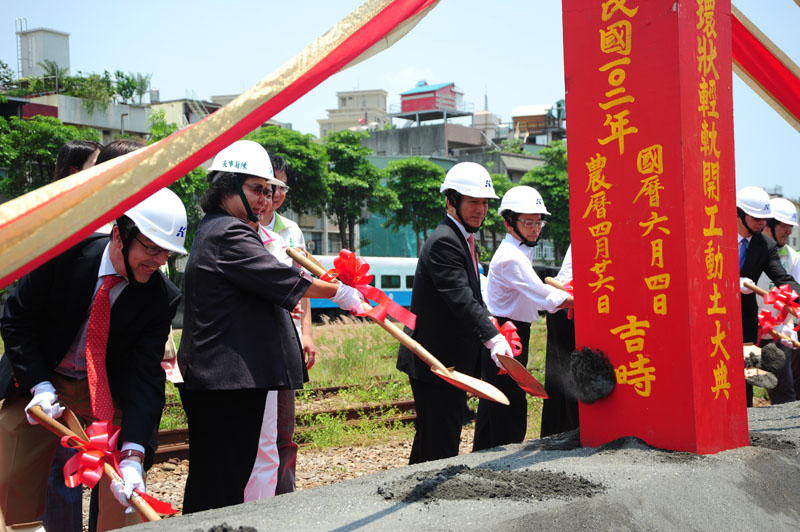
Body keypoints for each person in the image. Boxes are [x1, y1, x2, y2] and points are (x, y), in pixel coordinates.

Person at [177, 140, 363, 513]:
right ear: (226, 186)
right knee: (221, 483)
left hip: (228, 380)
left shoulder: (224, 228)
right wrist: (339, 291)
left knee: (225, 477)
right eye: (256, 189)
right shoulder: (229, 232)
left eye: (269, 191)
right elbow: (280, 281)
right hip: (224, 382)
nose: (265, 200)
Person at [0, 184, 188, 531]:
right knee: (10, 476)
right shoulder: (64, 253)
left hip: (103, 385)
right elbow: (17, 319)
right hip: (41, 377)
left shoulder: (161, 297)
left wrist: (133, 454)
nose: (159, 262)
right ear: (119, 235)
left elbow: (145, 374)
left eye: (168, 254)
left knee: (125, 491)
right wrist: (38, 385)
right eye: (151, 248)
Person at [396, 162, 512, 465]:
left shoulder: (462, 239)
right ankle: (427, 504)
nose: (480, 210)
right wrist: (492, 337)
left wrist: (491, 325)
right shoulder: (445, 241)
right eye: (473, 201)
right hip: (434, 362)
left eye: (485, 203)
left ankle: (414, 498)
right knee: (440, 444)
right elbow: (460, 298)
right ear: (451, 201)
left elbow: (472, 296)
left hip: (447, 362)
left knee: (433, 441)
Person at [474, 186, 572, 451]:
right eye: (527, 222)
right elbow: (545, 297)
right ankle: (504, 467)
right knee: (509, 408)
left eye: (538, 221)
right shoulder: (511, 258)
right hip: (507, 335)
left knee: (493, 408)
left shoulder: (520, 250)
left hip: (511, 330)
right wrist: (588, 301)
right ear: (508, 222)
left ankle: (480, 459)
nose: (535, 228)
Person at [38, 138, 104, 532]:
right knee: (62, 474)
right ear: (74, 172)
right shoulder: (55, 222)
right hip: (60, 368)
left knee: (99, 464)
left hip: (96, 369)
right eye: (97, 165)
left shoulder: (112, 220)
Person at [736, 186, 800, 407]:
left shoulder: (765, 245)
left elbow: (783, 279)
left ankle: (746, 424)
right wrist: (727, 283)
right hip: (713, 313)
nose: (762, 223)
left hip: (745, 319)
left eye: (765, 218)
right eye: (756, 218)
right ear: (739, 214)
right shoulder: (715, 235)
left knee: (746, 373)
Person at [755, 197, 800, 404]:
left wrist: (789, 325)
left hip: (777, 331)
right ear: (768, 224)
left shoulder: (791, 257)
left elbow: (794, 293)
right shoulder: (751, 251)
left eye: (791, 227)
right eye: (784, 226)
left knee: (784, 390)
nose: (789, 232)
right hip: (750, 331)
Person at [540, 244, 579, 437]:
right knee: (568, 375)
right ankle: (570, 432)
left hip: (569, 304)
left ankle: (565, 430)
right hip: (567, 307)